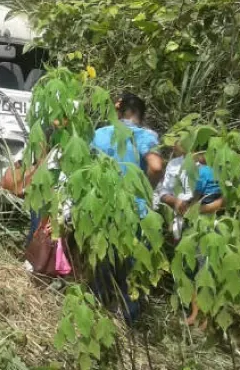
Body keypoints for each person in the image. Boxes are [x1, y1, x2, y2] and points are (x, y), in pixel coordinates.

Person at [89, 92, 165, 324]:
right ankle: (128, 320)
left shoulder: (100, 134)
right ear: (140, 114)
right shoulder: (144, 136)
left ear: (119, 111)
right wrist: (146, 189)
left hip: (102, 207)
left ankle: (98, 316)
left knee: (102, 263)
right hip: (134, 210)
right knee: (131, 269)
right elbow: (156, 166)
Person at [159, 150, 224, 327]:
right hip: (185, 224)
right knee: (191, 268)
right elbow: (164, 192)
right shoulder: (175, 164)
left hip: (208, 224)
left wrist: (194, 209)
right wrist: (178, 205)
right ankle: (196, 313)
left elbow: (219, 197)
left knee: (205, 269)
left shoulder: (208, 167)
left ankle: (205, 316)